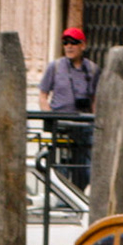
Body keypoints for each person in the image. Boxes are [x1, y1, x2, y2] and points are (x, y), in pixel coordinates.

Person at [37, 26, 97, 189]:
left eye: (74, 43)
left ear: (82, 46)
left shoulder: (91, 69)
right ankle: (61, 199)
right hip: (60, 123)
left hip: (84, 124)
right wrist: (48, 115)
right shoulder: (54, 67)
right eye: (66, 43)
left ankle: (80, 196)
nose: (69, 46)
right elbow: (43, 95)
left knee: (85, 164)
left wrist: (95, 119)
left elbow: (95, 99)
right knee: (61, 163)